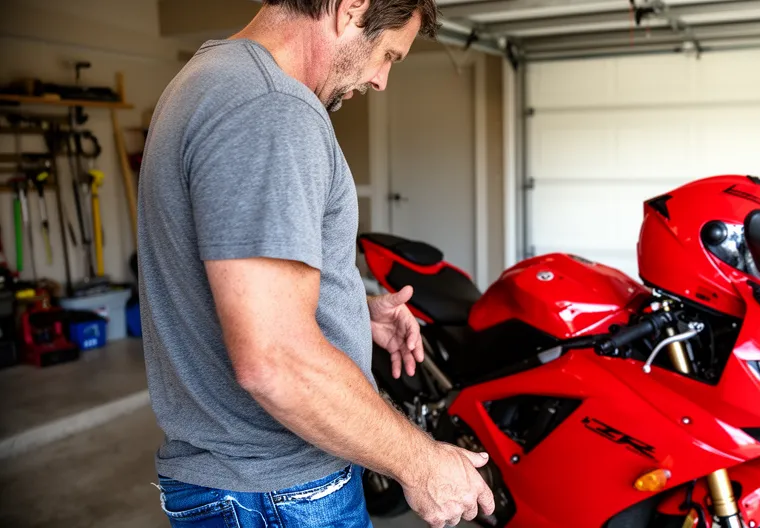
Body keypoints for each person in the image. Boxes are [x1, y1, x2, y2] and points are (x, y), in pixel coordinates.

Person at [137, 0, 494, 526]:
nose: (381, 81)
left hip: (245, 487)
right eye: (388, 55)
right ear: (351, 9)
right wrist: (422, 463)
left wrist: (347, 309)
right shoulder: (272, 108)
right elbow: (275, 359)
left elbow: (226, 282)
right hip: (278, 494)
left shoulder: (211, 77)